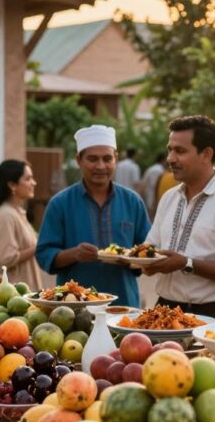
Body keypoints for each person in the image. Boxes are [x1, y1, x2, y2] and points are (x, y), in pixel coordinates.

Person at [142, 116, 215, 321]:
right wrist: (147, 262)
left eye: (180, 151)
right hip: (162, 311)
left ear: (206, 154)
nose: (170, 158)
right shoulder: (169, 197)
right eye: (170, 149)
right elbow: (151, 247)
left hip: (210, 316)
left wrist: (186, 263)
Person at [36, 125, 151, 306]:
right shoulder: (60, 204)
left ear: (116, 159)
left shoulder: (133, 201)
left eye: (107, 159)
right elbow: (44, 255)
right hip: (74, 307)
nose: (100, 166)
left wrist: (129, 259)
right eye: (92, 159)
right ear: (79, 160)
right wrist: (74, 254)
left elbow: (148, 251)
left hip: (124, 306)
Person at [0, 160, 45, 289]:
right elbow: (8, 258)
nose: (34, 183)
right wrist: (40, 245)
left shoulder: (16, 212)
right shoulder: (6, 215)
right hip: (10, 297)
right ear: (12, 185)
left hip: (19, 294)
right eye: (28, 179)